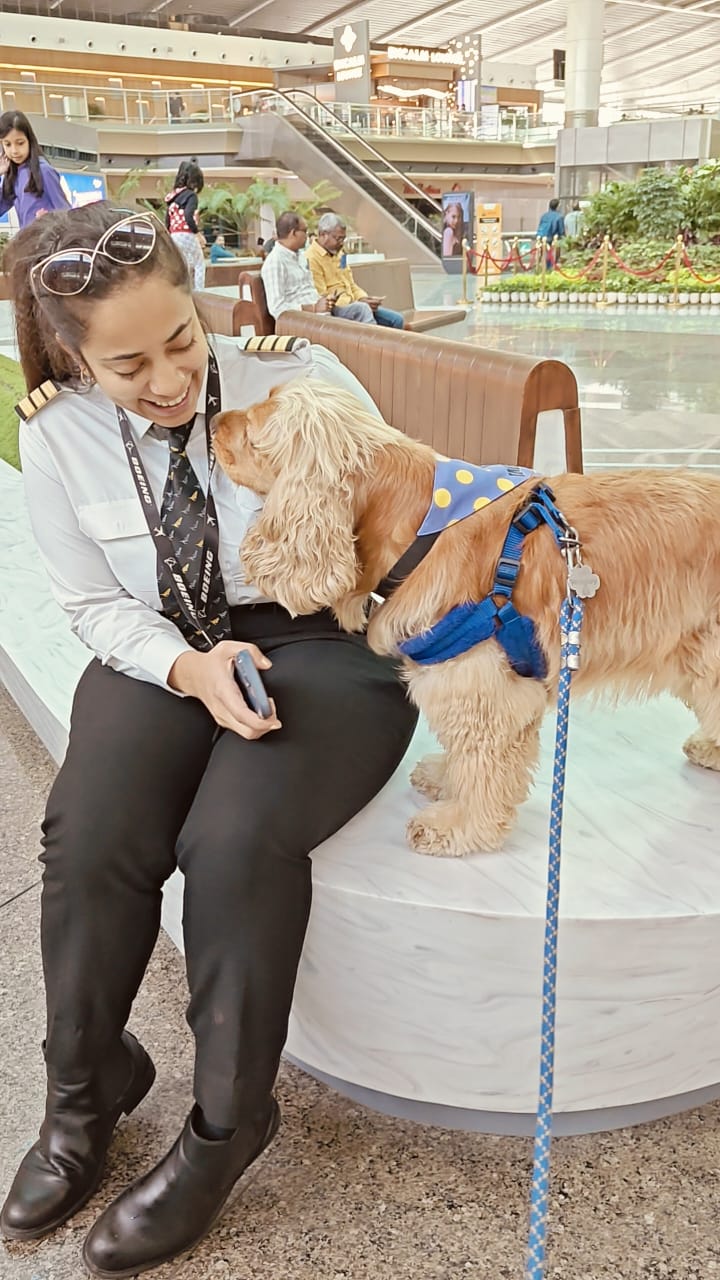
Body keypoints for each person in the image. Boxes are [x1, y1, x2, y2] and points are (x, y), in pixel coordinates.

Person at [0, 202, 416, 1277]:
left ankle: (226, 1127)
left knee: (232, 843)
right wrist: (188, 665)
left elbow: (399, 525)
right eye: (129, 363)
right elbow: (90, 603)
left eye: (182, 338)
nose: (172, 378)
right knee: (89, 835)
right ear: (71, 354)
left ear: (204, 303)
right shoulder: (55, 432)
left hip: (323, 632)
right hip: (161, 645)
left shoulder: (301, 374)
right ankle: (86, 1090)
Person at [306, 213, 405, 329]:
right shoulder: (311, 258)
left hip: (354, 303)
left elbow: (350, 283)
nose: (341, 243)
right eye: (338, 238)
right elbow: (322, 296)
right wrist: (357, 303)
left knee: (397, 319)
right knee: (362, 309)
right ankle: (373, 344)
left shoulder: (341, 255)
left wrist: (363, 298)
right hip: (336, 308)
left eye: (343, 239)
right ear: (323, 234)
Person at [0, 111, 69, 227]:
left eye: (20, 143)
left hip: (47, 242)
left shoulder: (44, 171)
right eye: (7, 144)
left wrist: (49, 220)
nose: (14, 150)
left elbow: (66, 213)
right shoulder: (12, 176)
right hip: (27, 241)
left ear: (29, 141)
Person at [260, 210, 333, 320]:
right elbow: (277, 309)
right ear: (293, 233)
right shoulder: (275, 262)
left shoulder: (301, 256)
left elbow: (308, 290)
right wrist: (313, 308)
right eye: (305, 231)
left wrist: (324, 301)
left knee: (359, 312)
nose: (307, 236)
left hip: (321, 316)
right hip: (300, 322)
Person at [165, 160, 206, 290]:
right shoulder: (191, 196)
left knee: (185, 265)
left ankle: (185, 293)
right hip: (186, 233)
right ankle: (200, 293)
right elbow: (188, 216)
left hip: (174, 235)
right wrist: (198, 233)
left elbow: (167, 220)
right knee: (199, 264)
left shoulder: (172, 197)